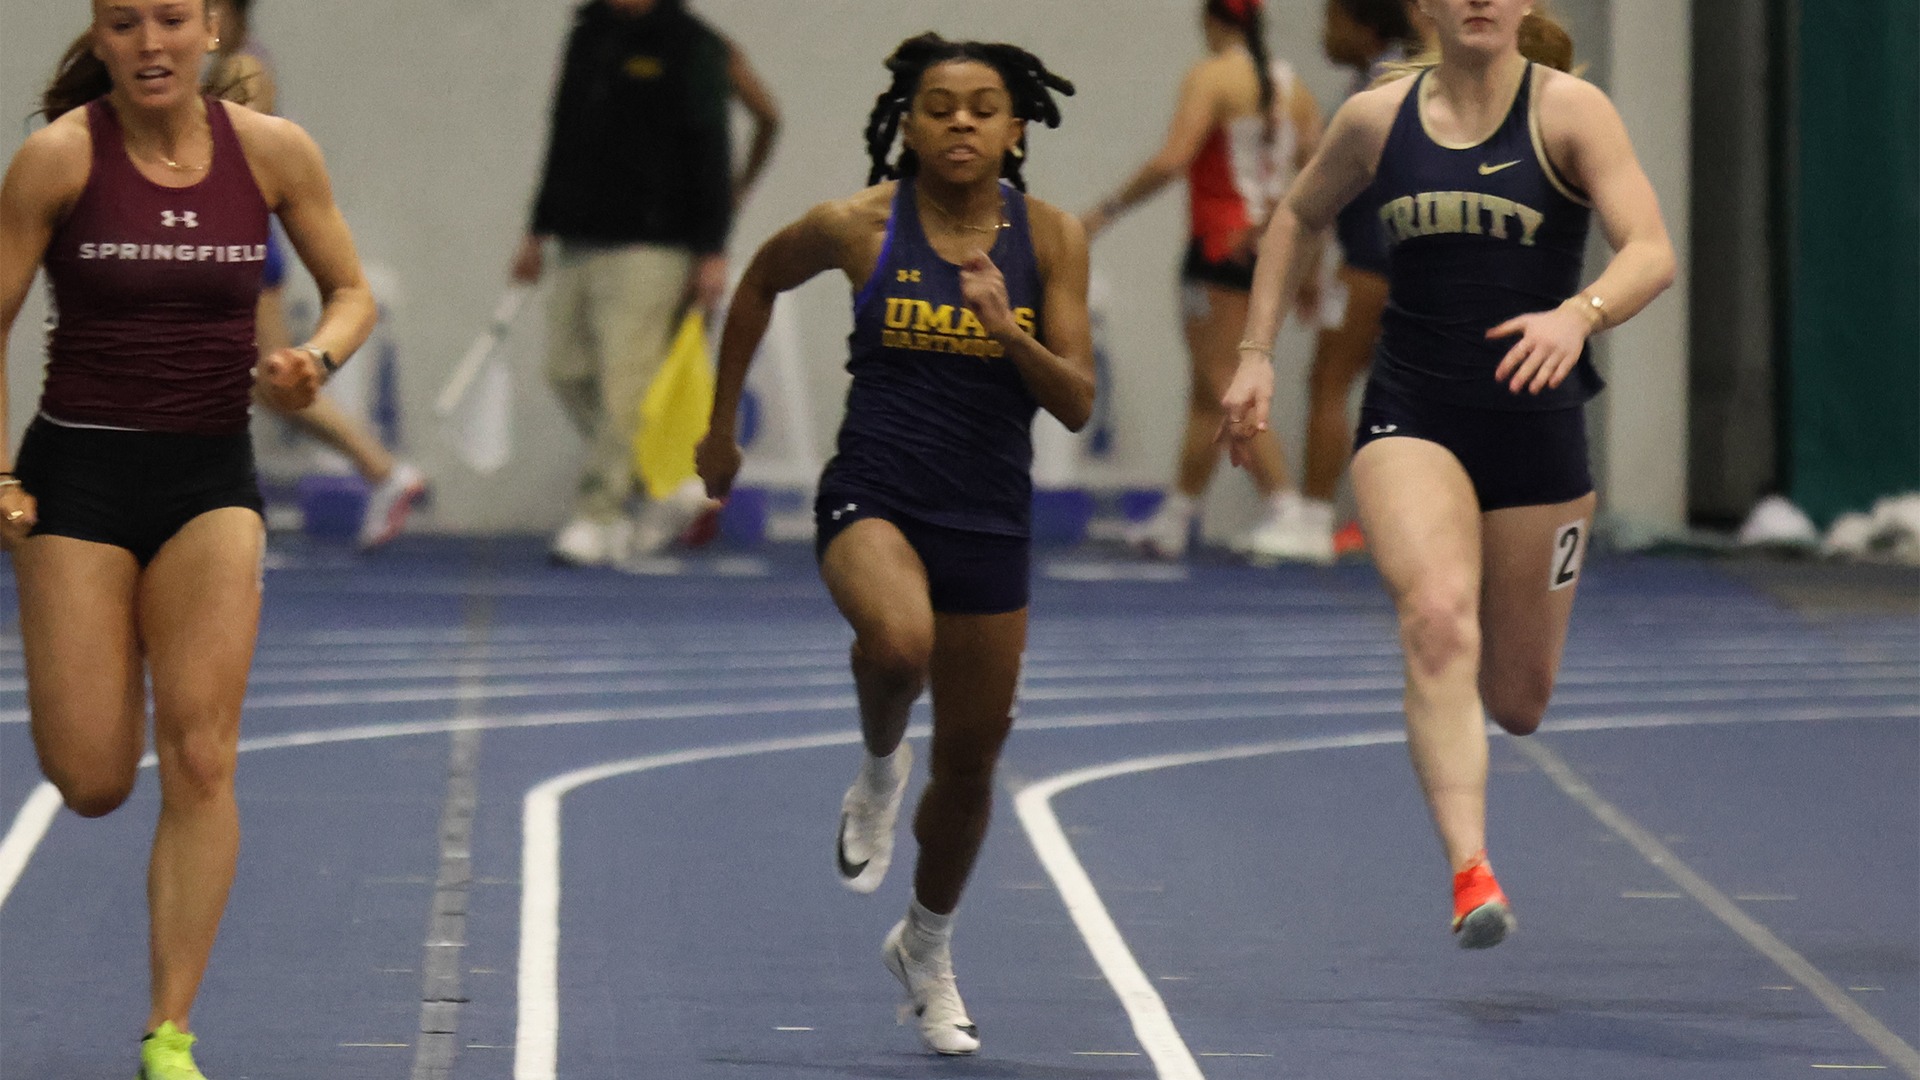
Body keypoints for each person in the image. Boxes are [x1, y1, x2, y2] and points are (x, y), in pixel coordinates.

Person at [1223, 0, 1674, 947]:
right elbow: (1297, 217)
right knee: (1434, 616)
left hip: (1536, 427)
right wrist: (1257, 351)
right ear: (1424, 5)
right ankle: (1471, 871)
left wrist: (1578, 315)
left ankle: (1472, 729)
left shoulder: (1569, 114)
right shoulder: (1376, 120)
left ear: (1524, 8)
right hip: (1413, 413)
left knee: (1518, 700)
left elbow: (1652, 252)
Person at [0, 1, 377, 1075]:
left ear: (209, 29)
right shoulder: (57, 160)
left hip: (211, 479)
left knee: (203, 756)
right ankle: (90, 651)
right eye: (124, 24)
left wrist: (317, 359)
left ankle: (170, 1035)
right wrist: (0, 475)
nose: (149, 43)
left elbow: (348, 290)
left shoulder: (271, 153)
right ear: (100, 37)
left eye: (169, 18)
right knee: (93, 778)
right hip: (78, 477)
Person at [696, 33, 1089, 1054]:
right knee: (898, 645)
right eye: (940, 105)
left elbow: (1078, 403)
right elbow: (754, 283)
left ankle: (927, 944)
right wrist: (720, 426)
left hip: (990, 516)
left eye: (983, 106)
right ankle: (877, 766)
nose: (961, 120)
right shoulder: (856, 226)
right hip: (874, 493)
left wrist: (1009, 330)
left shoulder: (1050, 241)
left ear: (1014, 129)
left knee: (971, 761)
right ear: (907, 125)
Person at [513, 0, 780, 566]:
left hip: (656, 245)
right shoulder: (587, 35)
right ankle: (667, 483)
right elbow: (562, 134)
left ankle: (599, 516)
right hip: (579, 236)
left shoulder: (693, 45)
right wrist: (537, 230)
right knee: (566, 372)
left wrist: (713, 245)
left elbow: (714, 144)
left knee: (623, 387)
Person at [1082, 0, 1322, 562]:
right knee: (1206, 388)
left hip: (1218, 247)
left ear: (1212, 19)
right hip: (1269, 249)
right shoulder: (1298, 90)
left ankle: (1288, 506)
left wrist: (1105, 210)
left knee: (1224, 379)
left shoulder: (1212, 77)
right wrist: (1309, 264)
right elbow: (1315, 181)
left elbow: (1173, 159)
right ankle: (1178, 514)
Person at [206, 0, 428, 550]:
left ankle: (381, 471)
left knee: (269, 376)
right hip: (233, 236)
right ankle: (381, 471)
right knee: (259, 381)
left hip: (242, 240)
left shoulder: (241, 70)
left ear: (232, 14)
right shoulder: (223, 67)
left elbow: (232, 157)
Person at [1288, 0, 1433, 563]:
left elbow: (1338, 187)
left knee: (1328, 379)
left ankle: (1314, 516)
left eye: (1332, 21)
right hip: (1393, 261)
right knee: (1405, 396)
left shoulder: (1380, 88)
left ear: (1365, 26)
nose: (1324, 33)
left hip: (1372, 264)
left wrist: (1314, 265)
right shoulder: (1384, 80)